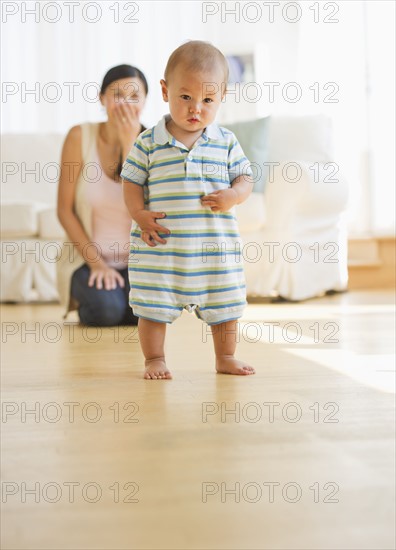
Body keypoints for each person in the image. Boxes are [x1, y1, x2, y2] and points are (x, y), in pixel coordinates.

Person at [121, 41, 256, 379]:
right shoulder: (148, 142)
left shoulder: (225, 141)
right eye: (186, 97)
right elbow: (131, 181)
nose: (196, 108)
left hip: (214, 251)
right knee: (152, 307)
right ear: (166, 91)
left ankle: (225, 357)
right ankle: (155, 359)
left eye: (208, 100)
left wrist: (234, 195)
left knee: (225, 307)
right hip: (161, 249)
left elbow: (245, 179)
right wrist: (138, 214)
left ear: (221, 96)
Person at [57, 64, 148, 326]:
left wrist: (129, 142)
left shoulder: (152, 142)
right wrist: (97, 265)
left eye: (134, 97)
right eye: (117, 94)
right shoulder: (79, 136)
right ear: (102, 98)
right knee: (106, 312)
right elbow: (64, 210)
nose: (125, 103)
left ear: (144, 102)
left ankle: (120, 296)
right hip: (88, 260)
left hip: (138, 263)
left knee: (139, 314)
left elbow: (147, 206)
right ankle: (99, 294)